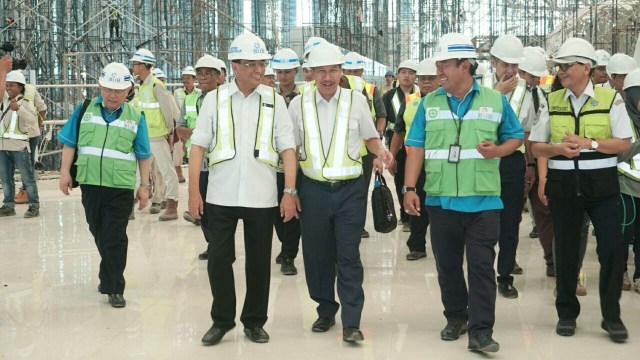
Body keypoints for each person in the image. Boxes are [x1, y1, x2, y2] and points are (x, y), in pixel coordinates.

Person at [403, 33, 524, 353]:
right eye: (439, 63)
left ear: (465, 65)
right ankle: (456, 315)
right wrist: (409, 188)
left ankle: (482, 330)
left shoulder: (494, 101)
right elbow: (415, 146)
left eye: (444, 64)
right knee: (447, 265)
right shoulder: (428, 103)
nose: (439, 70)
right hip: (441, 199)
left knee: (482, 266)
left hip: (483, 200)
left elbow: (515, 138)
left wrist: (497, 151)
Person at [188, 33, 298, 346]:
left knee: (259, 262)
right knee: (219, 260)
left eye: (262, 63)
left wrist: (289, 191)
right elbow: (197, 148)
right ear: (234, 66)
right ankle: (222, 320)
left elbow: (288, 148)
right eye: (251, 63)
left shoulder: (274, 101)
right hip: (220, 195)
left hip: (261, 196)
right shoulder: (214, 100)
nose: (258, 69)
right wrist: (193, 193)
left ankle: (254, 321)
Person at [288, 42, 393, 343]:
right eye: (321, 71)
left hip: (350, 191)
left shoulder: (356, 100)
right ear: (310, 74)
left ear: (341, 71)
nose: (327, 77)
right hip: (313, 191)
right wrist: (291, 190)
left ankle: (352, 321)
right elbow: (291, 151)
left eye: (333, 70)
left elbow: (370, 138)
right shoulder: (298, 104)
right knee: (318, 255)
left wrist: (381, 151)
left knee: (348, 254)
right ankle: (325, 309)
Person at [529, 37, 631, 342]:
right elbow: (536, 147)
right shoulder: (552, 100)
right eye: (559, 65)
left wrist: (591, 144)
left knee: (612, 249)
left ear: (586, 68)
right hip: (564, 187)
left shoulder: (610, 99)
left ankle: (611, 316)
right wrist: (558, 149)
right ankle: (566, 314)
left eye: (567, 65)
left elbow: (624, 142)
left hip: (602, 187)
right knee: (567, 251)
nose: (561, 71)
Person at [57, 63, 151, 308]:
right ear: (100, 86)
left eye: (118, 90)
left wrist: (144, 186)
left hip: (120, 187)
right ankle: (108, 274)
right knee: (97, 230)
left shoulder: (136, 117)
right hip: (90, 184)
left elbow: (144, 154)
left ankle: (114, 286)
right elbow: (70, 143)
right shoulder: (85, 109)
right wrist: (64, 172)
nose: (112, 95)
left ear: (128, 90)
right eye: (108, 89)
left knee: (114, 236)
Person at [485, 34, 537, 299]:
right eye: (506, 64)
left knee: (510, 221)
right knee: (480, 221)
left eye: (515, 65)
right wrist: (497, 94)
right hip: (482, 161)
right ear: (493, 61)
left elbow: (527, 132)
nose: (511, 71)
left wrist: (529, 164)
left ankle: (504, 275)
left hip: (511, 163)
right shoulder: (478, 87)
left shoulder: (526, 92)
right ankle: (481, 274)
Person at [389, 58, 438, 260]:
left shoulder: (447, 101)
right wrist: (392, 157)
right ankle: (417, 246)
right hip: (415, 163)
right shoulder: (410, 102)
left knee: (440, 206)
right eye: (423, 78)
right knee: (417, 205)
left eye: (431, 78)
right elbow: (399, 132)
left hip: (441, 163)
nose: (426, 82)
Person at [176, 55, 221, 260]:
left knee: (218, 209)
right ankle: (212, 244)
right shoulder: (190, 99)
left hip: (220, 164)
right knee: (201, 207)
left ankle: (219, 245)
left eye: (208, 74)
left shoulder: (225, 99)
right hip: (199, 164)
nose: (203, 78)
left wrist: (200, 134)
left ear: (218, 77)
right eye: (200, 74)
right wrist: (200, 133)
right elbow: (180, 128)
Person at [130, 49, 180, 220]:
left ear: (144, 65)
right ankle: (131, 206)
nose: (133, 67)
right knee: (137, 172)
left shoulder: (156, 85)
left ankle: (172, 206)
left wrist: (170, 133)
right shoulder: (141, 86)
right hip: (143, 137)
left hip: (158, 136)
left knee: (166, 171)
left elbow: (167, 112)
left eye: (135, 64)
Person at [342, 51, 388, 238]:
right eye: (349, 71)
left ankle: (358, 226)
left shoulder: (370, 90)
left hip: (366, 150)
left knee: (360, 190)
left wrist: (376, 141)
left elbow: (381, 115)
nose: (353, 75)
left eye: (356, 71)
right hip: (344, 149)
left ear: (362, 71)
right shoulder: (335, 89)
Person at [519, 47, 556, 277]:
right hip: (515, 161)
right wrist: (528, 164)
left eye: (537, 77)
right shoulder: (507, 94)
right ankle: (508, 261)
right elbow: (523, 134)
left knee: (544, 211)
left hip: (538, 160)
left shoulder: (543, 94)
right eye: (531, 76)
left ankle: (552, 260)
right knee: (510, 216)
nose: (534, 81)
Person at [271, 48, 302, 275]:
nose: (283, 76)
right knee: (275, 210)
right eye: (279, 72)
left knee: (292, 210)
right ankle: (284, 246)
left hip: (296, 163)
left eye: (287, 71)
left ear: (296, 71)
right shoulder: (268, 97)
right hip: (271, 164)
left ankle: (289, 254)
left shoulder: (304, 99)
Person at [382, 59, 419, 230]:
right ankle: (405, 217)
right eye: (403, 72)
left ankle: (417, 215)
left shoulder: (421, 96)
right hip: (396, 143)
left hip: (416, 144)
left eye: (411, 73)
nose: (407, 76)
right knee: (400, 180)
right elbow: (382, 119)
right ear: (397, 75)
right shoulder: (388, 96)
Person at [0, 71, 40, 218]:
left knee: (28, 179)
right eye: (7, 85)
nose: (8, 88)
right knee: (6, 180)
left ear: (20, 86)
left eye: (11, 85)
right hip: (3, 148)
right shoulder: (3, 102)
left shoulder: (25, 103)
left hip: (19, 147)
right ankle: (8, 205)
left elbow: (32, 120)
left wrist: (20, 110)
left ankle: (34, 206)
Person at [618, 68, 640, 293]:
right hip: (626, 188)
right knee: (623, 233)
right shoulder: (621, 119)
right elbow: (617, 153)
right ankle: (621, 271)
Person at [14, 80, 47, 204]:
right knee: (28, 163)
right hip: (32, 132)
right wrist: (37, 125)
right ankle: (26, 191)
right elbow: (43, 109)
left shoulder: (6, 89)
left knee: (23, 165)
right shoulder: (31, 88)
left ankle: (27, 192)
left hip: (19, 134)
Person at [173, 66, 200, 184]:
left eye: (188, 78)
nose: (185, 81)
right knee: (178, 153)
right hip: (180, 127)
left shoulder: (199, 94)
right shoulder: (177, 93)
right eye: (183, 78)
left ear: (194, 79)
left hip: (192, 130)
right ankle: (179, 173)